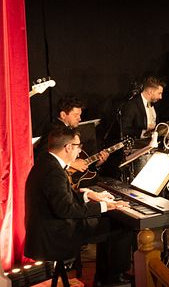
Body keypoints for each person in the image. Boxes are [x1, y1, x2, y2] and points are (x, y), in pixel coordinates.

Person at [25, 127, 132, 285]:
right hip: (54, 234)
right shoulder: (53, 171)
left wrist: (87, 195)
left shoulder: (46, 162)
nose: (79, 152)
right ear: (68, 147)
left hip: (48, 227)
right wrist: (106, 206)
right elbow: (66, 209)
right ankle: (113, 279)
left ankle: (104, 278)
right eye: (78, 146)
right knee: (121, 225)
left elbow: (60, 197)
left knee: (108, 221)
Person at [34, 97, 109, 179]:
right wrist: (71, 164)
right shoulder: (55, 129)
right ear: (63, 115)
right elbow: (42, 154)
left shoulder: (66, 129)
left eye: (79, 115)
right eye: (76, 115)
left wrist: (98, 162)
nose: (79, 118)